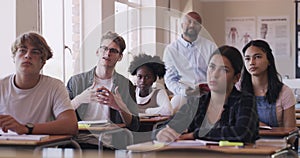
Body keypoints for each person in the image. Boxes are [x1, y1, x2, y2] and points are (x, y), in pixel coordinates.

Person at [156, 45, 258, 143]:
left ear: (236, 77)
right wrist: (161, 133)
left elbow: (242, 133)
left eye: (224, 70)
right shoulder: (196, 103)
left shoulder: (245, 101)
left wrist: (195, 135)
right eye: (211, 67)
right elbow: (165, 126)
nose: (214, 74)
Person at [66, 31, 140, 149]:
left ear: (120, 57)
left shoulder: (126, 85)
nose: (108, 53)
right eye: (104, 48)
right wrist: (79, 100)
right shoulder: (76, 82)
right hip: (78, 143)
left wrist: (119, 107)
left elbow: (134, 125)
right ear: (97, 52)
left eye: (113, 50)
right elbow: (60, 116)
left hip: (110, 144)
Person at [0, 31, 78, 136]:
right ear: (14, 57)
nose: (28, 56)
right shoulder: (2, 86)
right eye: (22, 50)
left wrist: (25, 128)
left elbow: (70, 126)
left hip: (41, 150)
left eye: (35, 52)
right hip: (5, 148)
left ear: (43, 61)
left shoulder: (54, 86)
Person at [163, 11, 217, 113]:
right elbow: (170, 79)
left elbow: (217, 72)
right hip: (184, 94)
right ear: (182, 25)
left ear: (200, 27)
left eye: (196, 23)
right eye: (189, 22)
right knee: (174, 107)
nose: (192, 25)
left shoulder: (210, 47)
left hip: (208, 93)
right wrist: (184, 91)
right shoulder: (171, 49)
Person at [240, 40, 296, 127]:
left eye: (257, 57)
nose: (251, 62)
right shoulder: (238, 89)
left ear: (269, 60)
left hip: (276, 140)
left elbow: (291, 133)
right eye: (247, 58)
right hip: (245, 140)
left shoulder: (285, 92)